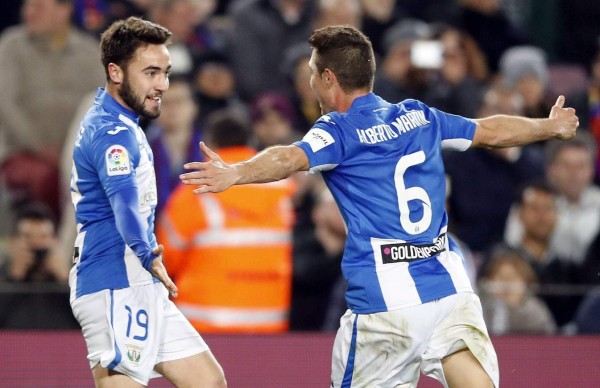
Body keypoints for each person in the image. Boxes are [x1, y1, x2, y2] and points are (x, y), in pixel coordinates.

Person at [180, 25, 578, 387]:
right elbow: (487, 130)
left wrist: (237, 172)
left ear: (329, 78)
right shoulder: (419, 115)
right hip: (448, 286)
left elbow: (289, 158)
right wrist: (548, 125)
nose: (312, 85)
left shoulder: (337, 129)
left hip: (386, 305)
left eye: (313, 76)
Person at [68, 17, 226, 387]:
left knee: (209, 381)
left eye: (165, 73)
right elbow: (123, 201)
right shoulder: (111, 134)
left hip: (139, 280)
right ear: (116, 71)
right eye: (151, 72)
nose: (162, 85)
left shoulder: (120, 120)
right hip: (114, 280)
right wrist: (147, 253)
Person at [157, 109, 295, 333]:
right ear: (250, 140)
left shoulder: (195, 189)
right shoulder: (282, 190)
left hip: (203, 325)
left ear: (209, 143)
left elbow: (165, 259)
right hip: (268, 324)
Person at [0, 202, 77, 329]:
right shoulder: (3, 278)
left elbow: (91, 323)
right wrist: (12, 278)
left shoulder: (76, 279)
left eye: (43, 237)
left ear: (55, 242)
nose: (36, 244)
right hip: (12, 346)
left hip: (62, 346)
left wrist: (65, 281)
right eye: (27, 237)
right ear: (13, 243)